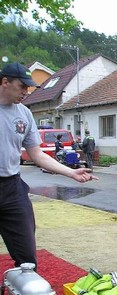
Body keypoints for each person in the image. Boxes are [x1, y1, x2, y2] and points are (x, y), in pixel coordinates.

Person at [0, 62, 97, 268]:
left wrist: (70, 172)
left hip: (12, 188)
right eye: (22, 87)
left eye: (29, 88)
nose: (26, 92)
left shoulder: (24, 114)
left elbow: (37, 154)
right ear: (5, 82)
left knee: (27, 258)